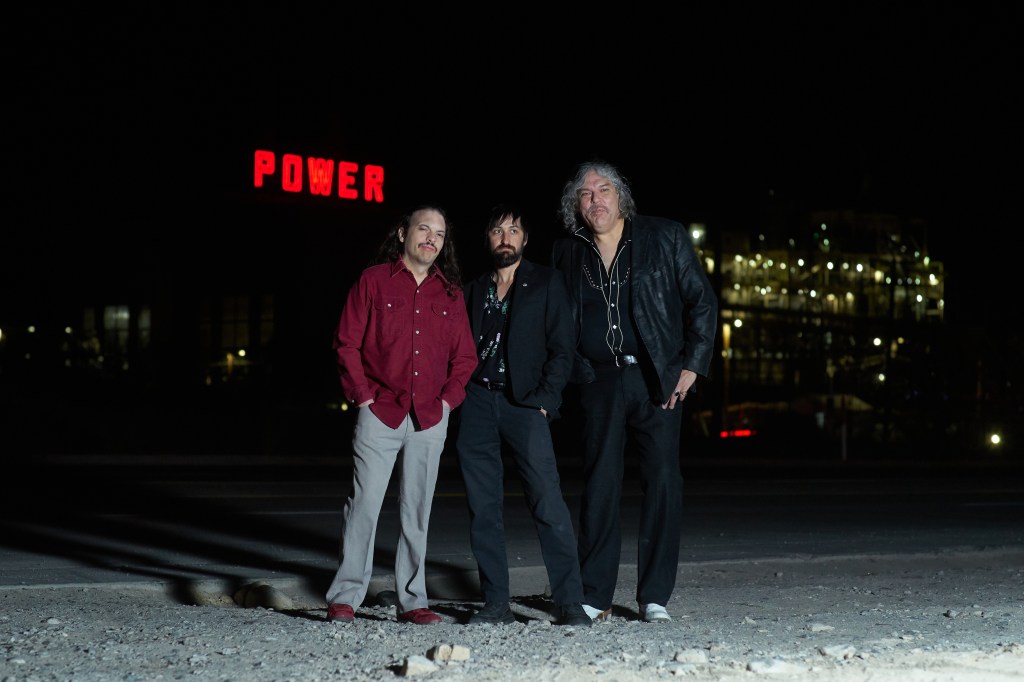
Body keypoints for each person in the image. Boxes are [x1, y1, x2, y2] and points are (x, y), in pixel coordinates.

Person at [551, 160, 719, 624]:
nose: (595, 200)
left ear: (621, 196)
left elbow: (701, 300)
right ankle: (595, 593)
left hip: (655, 379)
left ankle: (654, 596)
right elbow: (559, 320)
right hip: (598, 381)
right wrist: (573, 374)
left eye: (603, 190)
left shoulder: (663, 236)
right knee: (600, 483)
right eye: (585, 195)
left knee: (663, 482)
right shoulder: (567, 252)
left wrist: (692, 364)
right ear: (576, 207)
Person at [324, 204, 477, 625]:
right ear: (402, 233)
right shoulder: (373, 281)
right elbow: (346, 343)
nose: (431, 238)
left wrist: (447, 402)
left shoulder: (450, 293)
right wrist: (363, 398)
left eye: (440, 234)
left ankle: (413, 600)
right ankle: (346, 596)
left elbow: (465, 358)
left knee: (417, 511)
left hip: (429, 417)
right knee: (364, 506)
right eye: (423, 229)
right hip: (380, 412)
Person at [455, 203, 592, 627]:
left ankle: (569, 601)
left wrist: (546, 400)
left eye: (513, 230)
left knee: (547, 502)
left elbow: (563, 347)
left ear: (525, 239)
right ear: (487, 240)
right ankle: (496, 603)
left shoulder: (547, 282)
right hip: (477, 401)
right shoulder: (473, 289)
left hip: (526, 403)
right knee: (484, 508)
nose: (505, 237)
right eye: (497, 231)